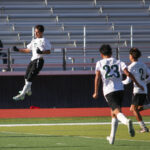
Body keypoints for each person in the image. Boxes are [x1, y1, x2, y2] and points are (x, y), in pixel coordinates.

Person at [92, 44, 144, 145]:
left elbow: (97, 78)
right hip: (120, 90)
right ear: (111, 53)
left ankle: (126, 121)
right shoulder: (119, 62)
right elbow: (128, 74)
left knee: (116, 111)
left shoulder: (99, 63)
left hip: (109, 91)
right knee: (114, 113)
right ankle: (112, 137)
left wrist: (96, 91)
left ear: (101, 54)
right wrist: (137, 84)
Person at [12, 25, 51, 101]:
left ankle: (22, 94)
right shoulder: (34, 40)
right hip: (33, 60)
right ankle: (28, 90)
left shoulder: (44, 40)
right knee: (26, 76)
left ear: (41, 32)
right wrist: (18, 50)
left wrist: (42, 52)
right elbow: (28, 50)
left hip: (39, 60)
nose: (35, 33)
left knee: (30, 78)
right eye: (35, 32)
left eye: (37, 32)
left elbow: (49, 51)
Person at [122, 48, 150, 133]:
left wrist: (119, 82)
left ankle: (144, 128)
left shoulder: (130, 67)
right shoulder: (143, 65)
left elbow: (128, 81)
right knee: (133, 109)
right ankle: (148, 106)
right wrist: (145, 82)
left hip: (137, 90)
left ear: (131, 56)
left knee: (134, 109)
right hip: (144, 89)